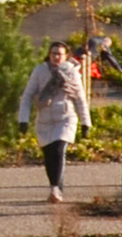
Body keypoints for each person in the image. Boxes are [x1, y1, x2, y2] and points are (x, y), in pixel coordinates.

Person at [17, 41, 92, 204]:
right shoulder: (40, 71)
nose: (56, 57)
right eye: (53, 53)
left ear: (66, 56)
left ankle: (55, 189)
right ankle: (56, 187)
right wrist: (23, 120)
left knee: (59, 149)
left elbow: (80, 99)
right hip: (44, 120)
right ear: (49, 55)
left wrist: (86, 123)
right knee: (49, 155)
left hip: (65, 117)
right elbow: (27, 95)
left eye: (59, 54)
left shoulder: (71, 72)